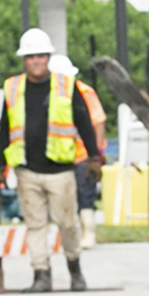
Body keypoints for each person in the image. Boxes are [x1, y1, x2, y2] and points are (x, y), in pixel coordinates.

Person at [0, 28, 101, 291]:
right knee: (35, 225)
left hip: (60, 172)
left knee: (68, 224)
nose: (35, 61)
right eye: (30, 57)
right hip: (27, 170)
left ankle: (75, 270)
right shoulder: (13, 88)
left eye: (40, 55)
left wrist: (94, 157)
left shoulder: (66, 87)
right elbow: (5, 128)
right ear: (24, 60)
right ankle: (41, 275)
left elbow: (84, 122)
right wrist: (1, 166)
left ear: (48, 57)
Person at [52, 53, 109, 247]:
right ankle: (69, 235)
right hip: (58, 156)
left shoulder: (83, 92)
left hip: (82, 155)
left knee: (85, 194)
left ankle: (88, 233)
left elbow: (98, 121)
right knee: (64, 199)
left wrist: (96, 154)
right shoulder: (49, 94)